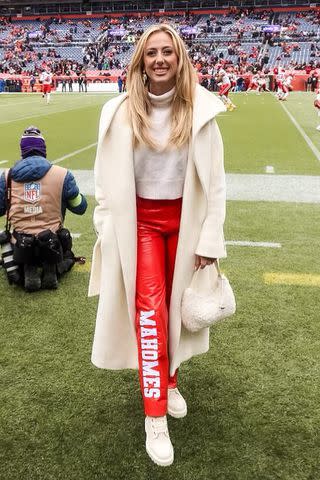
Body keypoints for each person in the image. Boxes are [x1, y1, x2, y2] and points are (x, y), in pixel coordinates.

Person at [89, 24, 227, 467]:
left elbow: (217, 183)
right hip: (140, 225)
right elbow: (103, 178)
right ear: (141, 61)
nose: (161, 59)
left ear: (179, 58)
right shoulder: (118, 112)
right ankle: (154, 417)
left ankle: (169, 381)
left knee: (175, 310)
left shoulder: (202, 111)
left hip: (184, 223)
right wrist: (106, 224)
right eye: (152, 53)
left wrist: (209, 236)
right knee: (149, 313)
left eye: (168, 52)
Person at [0, 126, 87, 291]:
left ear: (22, 151)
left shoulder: (7, 176)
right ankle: (53, 267)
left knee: (13, 238)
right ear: (43, 149)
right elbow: (80, 207)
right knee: (57, 236)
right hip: (52, 242)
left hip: (20, 244)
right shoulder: (62, 175)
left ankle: (28, 268)